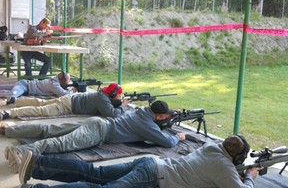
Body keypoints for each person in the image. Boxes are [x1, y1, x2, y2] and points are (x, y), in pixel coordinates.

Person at [4, 100, 186, 173]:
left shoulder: (141, 112)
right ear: (160, 116)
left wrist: (163, 123)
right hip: (98, 132)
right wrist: (179, 136)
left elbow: (152, 125)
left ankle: (9, 130)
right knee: (60, 144)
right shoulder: (147, 124)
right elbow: (167, 142)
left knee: (50, 129)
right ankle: (20, 152)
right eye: (165, 117)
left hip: (96, 122)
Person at [16, 135, 261, 188]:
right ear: (237, 158)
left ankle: (37, 162)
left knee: (93, 172)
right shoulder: (223, 165)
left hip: (151, 163)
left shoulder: (211, 147)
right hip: (154, 177)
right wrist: (250, 175)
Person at [0, 83, 130, 121]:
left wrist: (119, 103)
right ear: (113, 94)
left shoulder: (103, 95)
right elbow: (112, 114)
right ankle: (9, 113)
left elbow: (109, 105)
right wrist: (123, 106)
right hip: (69, 105)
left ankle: (15, 100)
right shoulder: (102, 99)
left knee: (41, 102)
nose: (119, 97)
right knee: (42, 110)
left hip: (70, 99)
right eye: (118, 95)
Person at [0, 71, 71, 106]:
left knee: (10, 87)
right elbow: (64, 94)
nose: (69, 81)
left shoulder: (54, 79)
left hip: (24, 84)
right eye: (68, 80)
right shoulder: (54, 85)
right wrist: (73, 91)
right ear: (63, 80)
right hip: (25, 86)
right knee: (12, 95)